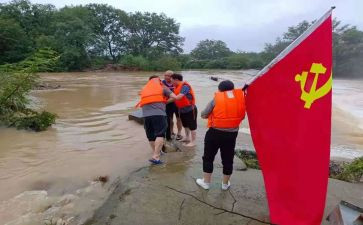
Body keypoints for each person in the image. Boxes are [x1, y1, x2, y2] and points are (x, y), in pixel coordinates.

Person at [196, 80, 246, 190]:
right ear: (232, 89)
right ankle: (225, 184)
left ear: (219, 89)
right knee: (228, 159)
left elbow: (204, 114)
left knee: (208, 157)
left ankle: (206, 183)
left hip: (214, 133)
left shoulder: (216, 99)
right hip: (231, 135)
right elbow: (242, 117)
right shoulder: (241, 100)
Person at [137, 75, 177, 165]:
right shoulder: (163, 87)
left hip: (146, 116)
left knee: (151, 136)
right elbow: (174, 97)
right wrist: (165, 102)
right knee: (160, 134)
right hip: (159, 114)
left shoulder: (144, 88)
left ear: (149, 81)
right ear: (159, 81)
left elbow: (140, 96)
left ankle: (156, 153)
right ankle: (156, 157)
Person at [170, 73, 197, 147]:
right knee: (185, 125)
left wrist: (165, 101)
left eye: (171, 80)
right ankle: (187, 138)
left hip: (190, 109)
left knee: (192, 126)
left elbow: (179, 97)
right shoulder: (176, 87)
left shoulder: (185, 86)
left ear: (176, 80)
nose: (171, 82)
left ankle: (193, 141)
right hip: (181, 109)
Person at [162, 70, 183, 141]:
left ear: (173, 77)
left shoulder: (177, 83)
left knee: (179, 118)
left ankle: (179, 133)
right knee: (169, 119)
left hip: (177, 103)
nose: (166, 77)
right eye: (165, 75)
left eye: (168, 75)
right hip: (168, 104)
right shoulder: (162, 83)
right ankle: (171, 132)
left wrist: (166, 102)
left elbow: (178, 96)